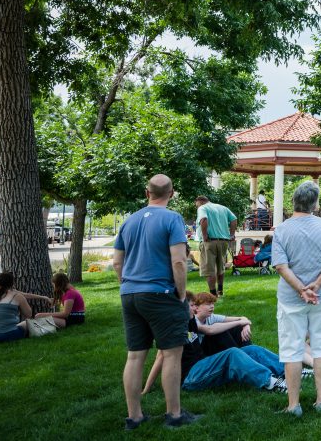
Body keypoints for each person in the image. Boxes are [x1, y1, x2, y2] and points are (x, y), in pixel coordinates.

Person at [113, 174, 197, 430]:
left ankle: (134, 417)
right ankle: (174, 415)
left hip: (130, 294)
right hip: (161, 293)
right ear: (172, 194)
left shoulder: (129, 221)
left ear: (146, 192)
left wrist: (126, 285)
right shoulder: (173, 219)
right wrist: (181, 294)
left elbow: (117, 262)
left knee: (135, 356)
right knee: (172, 354)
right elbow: (179, 261)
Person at [272, 180, 321, 418]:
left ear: (294, 201)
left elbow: (281, 266)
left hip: (291, 299)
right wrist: (318, 285)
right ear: (315, 203)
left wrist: (302, 289)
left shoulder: (282, 229)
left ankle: (294, 405)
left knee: (292, 350)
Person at [142, 296, 287, 397]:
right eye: (191, 305)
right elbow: (160, 358)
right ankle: (271, 382)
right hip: (190, 377)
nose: (195, 308)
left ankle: (288, 370)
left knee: (251, 349)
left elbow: (214, 328)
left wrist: (244, 322)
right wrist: (146, 389)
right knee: (232, 353)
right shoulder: (173, 328)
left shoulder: (191, 322)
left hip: (202, 365)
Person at [195, 196, 237, 297]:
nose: (196, 207)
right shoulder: (223, 208)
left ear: (199, 201)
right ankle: (220, 291)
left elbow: (203, 219)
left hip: (209, 241)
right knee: (220, 267)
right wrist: (232, 234)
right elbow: (234, 219)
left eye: (195, 204)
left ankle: (213, 294)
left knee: (209, 269)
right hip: (223, 241)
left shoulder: (202, 208)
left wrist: (205, 236)